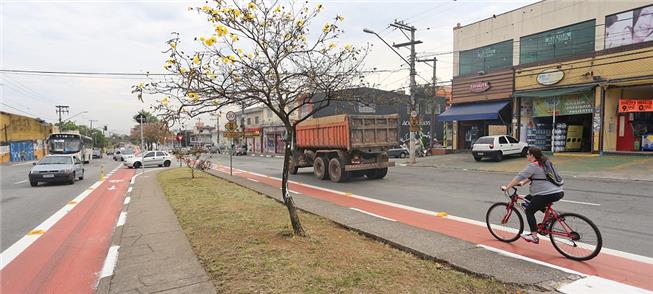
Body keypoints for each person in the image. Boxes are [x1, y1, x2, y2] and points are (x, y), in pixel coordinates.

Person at [501, 146, 564, 244]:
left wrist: (507, 187)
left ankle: (533, 236)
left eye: (527, 154)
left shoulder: (533, 165)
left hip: (547, 193)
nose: (526, 156)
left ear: (532, 155)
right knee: (528, 199)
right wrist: (523, 183)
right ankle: (550, 214)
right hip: (558, 191)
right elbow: (534, 176)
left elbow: (519, 177)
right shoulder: (544, 162)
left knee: (529, 211)